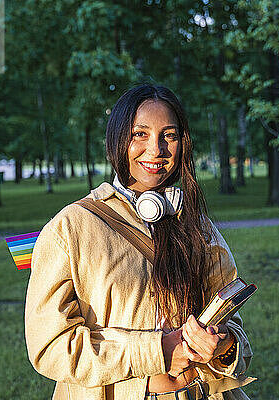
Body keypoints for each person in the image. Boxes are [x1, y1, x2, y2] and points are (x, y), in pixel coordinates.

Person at [25, 84, 255, 400]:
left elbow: (235, 331)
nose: (156, 149)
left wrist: (224, 345)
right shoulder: (70, 228)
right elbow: (50, 347)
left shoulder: (196, 225)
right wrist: (155, 351)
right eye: (140, 134)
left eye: (169, 136)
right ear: (118, 140)